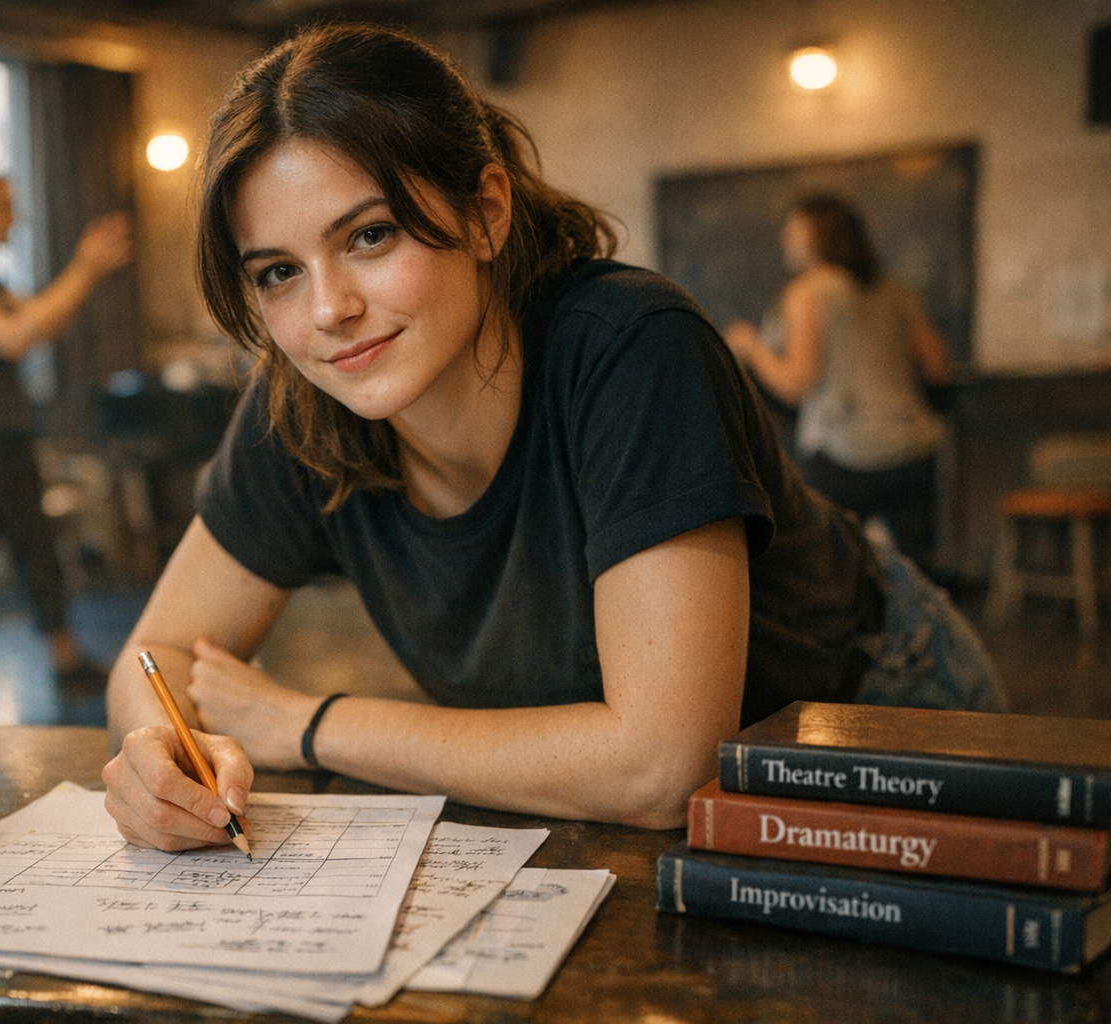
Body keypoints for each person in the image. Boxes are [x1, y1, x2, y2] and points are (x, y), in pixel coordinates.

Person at [101, 25, 1005, 852]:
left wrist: (304, 723)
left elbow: (658, 765)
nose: (329, 310)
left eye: (370, 236)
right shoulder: (298, 405)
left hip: (868, 716)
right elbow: (158, 657)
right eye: (279, 273)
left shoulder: (629, 344)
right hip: (613, 812)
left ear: (487, 210)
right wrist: (158, 751)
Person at [0, 173, 133, 681]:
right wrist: (83, 268)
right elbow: (12, 338)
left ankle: (65, 658)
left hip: (5, 433)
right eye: (6, 206)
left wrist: (89, 273)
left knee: (36, 546)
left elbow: (41, 321)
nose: (15, 217)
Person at [723, 195, 951, 566]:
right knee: (916, 574)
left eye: (793, 230)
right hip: (912, 448)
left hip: (840, 454)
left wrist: (750, 345)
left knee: (836, 572)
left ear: (818, 236)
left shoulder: (809, 291)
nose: (785, 238)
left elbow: (797, 384)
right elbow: (937, 367)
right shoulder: (895, 291)